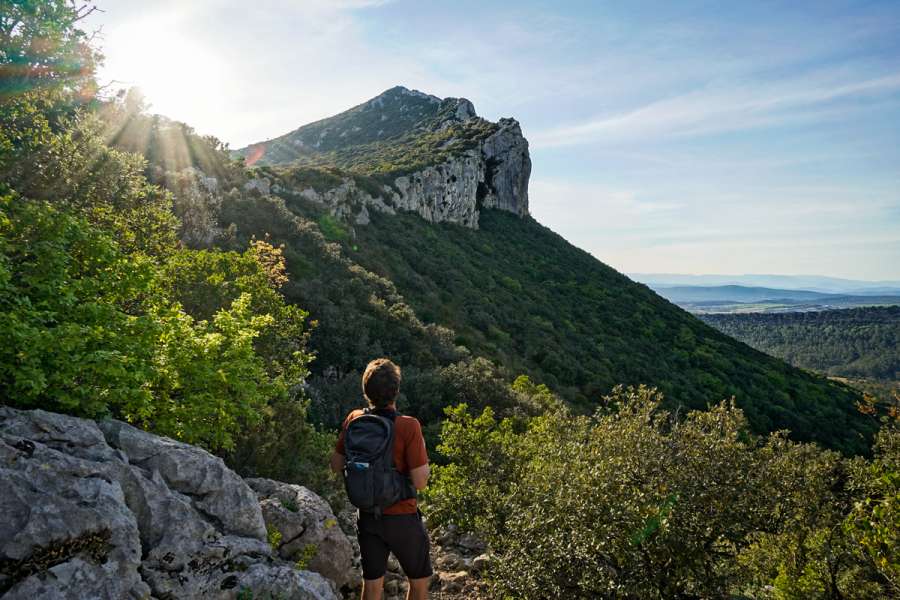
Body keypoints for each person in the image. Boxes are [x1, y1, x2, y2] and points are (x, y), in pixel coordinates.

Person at [330, 358, 433, 600]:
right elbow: (420, 482)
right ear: (396, 391)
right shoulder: (409, 426)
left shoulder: (354, 419)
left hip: (367, 516)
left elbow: (335, 464)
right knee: (419, 581)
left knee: (372, 583)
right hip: (402, 518)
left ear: (366, 391)